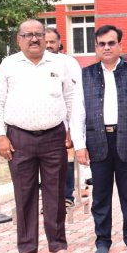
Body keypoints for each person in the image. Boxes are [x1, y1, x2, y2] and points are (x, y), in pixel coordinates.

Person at [0, 19, 75, 253]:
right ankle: (26, 246)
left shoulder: (58, 63)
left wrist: (71, 131)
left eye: (39, 34)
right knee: (24, 193)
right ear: (19, 39)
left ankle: (57, 243)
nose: (34, 39)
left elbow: (69, 98)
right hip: (19, 138)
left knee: (56, 192)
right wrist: (0, 135)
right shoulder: (9, 65)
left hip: (54, 136)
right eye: (28, 35)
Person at [72, 25, 127, 253]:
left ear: (120, 45)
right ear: (96, 47)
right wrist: (79, 145)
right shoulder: (86, 74)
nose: (107, 48)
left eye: (111, 43)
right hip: (98, 141)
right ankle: (102, 241)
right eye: (102, 44)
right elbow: (78, 113)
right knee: (101, 196)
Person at [44, 28, 84, 209]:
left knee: (66, 158)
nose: (48, 45)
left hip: (66, 118)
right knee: (46, 163)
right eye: (45, 42)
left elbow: (75, 91)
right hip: (43, 120)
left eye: (52, 42)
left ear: (59, 43)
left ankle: (67, 195)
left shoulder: (69, 62)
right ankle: (49, 200)